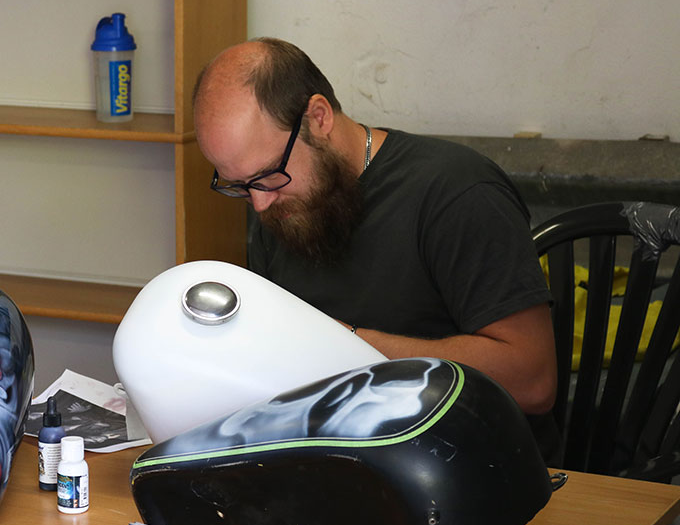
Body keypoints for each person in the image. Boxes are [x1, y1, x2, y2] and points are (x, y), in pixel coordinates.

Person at [193, 37, 559, 459]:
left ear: (318, 118)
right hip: (336, 462)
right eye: (239, 186)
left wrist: (346, 346)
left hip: (468, 465)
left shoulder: (457, 193)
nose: (260, 204)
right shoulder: (278, 206)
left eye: (270, 175)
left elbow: (533, 382)